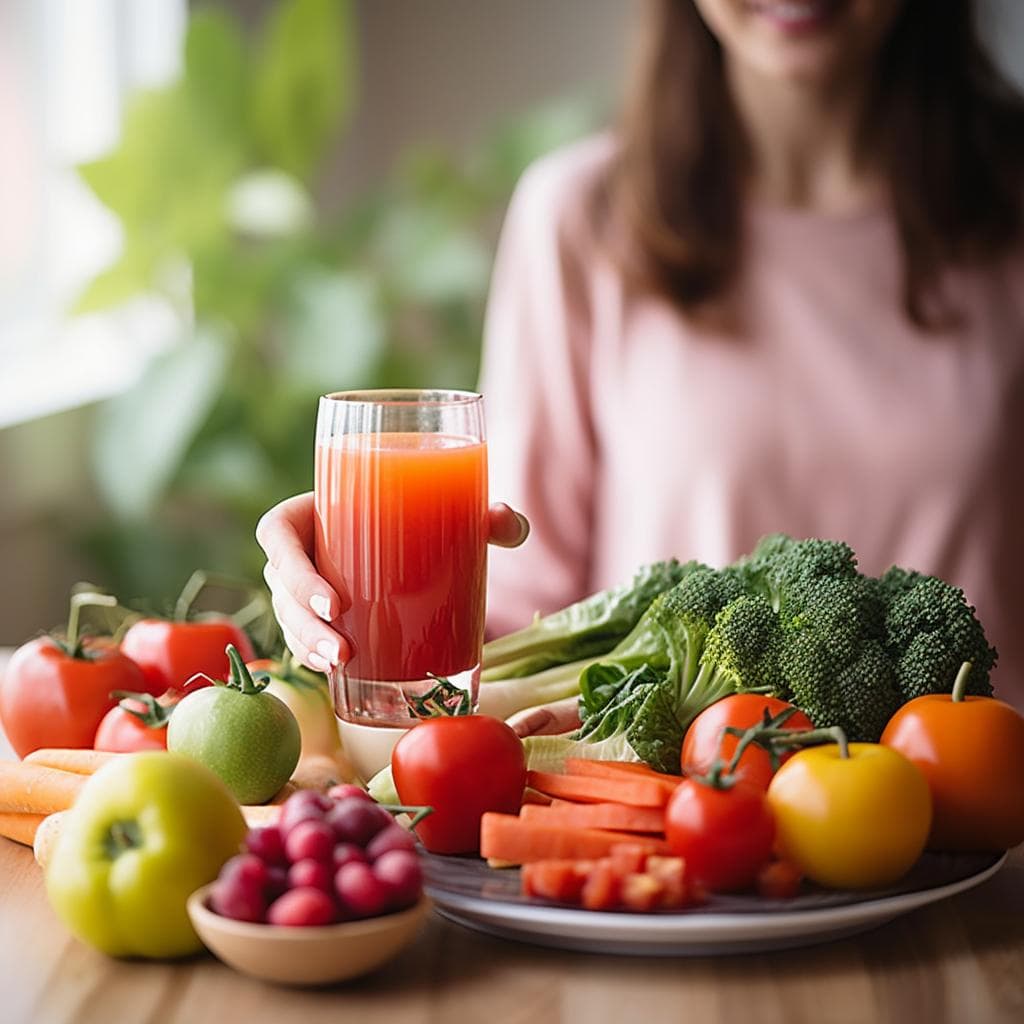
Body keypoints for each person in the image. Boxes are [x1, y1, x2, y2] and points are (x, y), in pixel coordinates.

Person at [257, 0, 1024, 727]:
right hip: (684, 824)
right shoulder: (579, 216)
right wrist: (367, 572)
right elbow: (521, 587)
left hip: (984, 814)